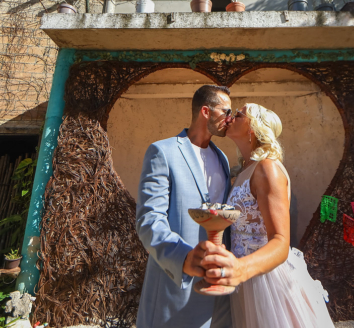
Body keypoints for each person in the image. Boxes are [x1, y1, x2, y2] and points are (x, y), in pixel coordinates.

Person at [201, 103, 335, 328]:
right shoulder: (243, 170)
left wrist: (242, 269)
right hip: (245, 281)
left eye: (239, 114)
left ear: (253, 127)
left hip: (269, 281)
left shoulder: (267, 168)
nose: (231, 116)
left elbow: (281, 243)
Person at [135, 85, 234, 328]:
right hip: (175, 288)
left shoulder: (223, 158)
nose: (230, 119)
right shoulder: (163, 152)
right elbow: (149, 220)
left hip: (218, 297)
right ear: (205, 111)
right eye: (226, 111)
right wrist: (183, 258)